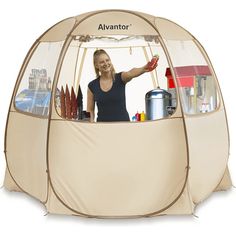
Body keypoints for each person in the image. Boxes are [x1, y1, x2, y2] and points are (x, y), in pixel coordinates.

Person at [87, 49, 157, 122]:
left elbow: (131, 73)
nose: (106, 63)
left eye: (107, 60)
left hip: (124, 126)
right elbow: (90, 110)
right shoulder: (92, 85)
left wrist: (143, 68)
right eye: (102, 62)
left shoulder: (121, 77)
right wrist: (91, 126)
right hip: (102, 127)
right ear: (96, 65)